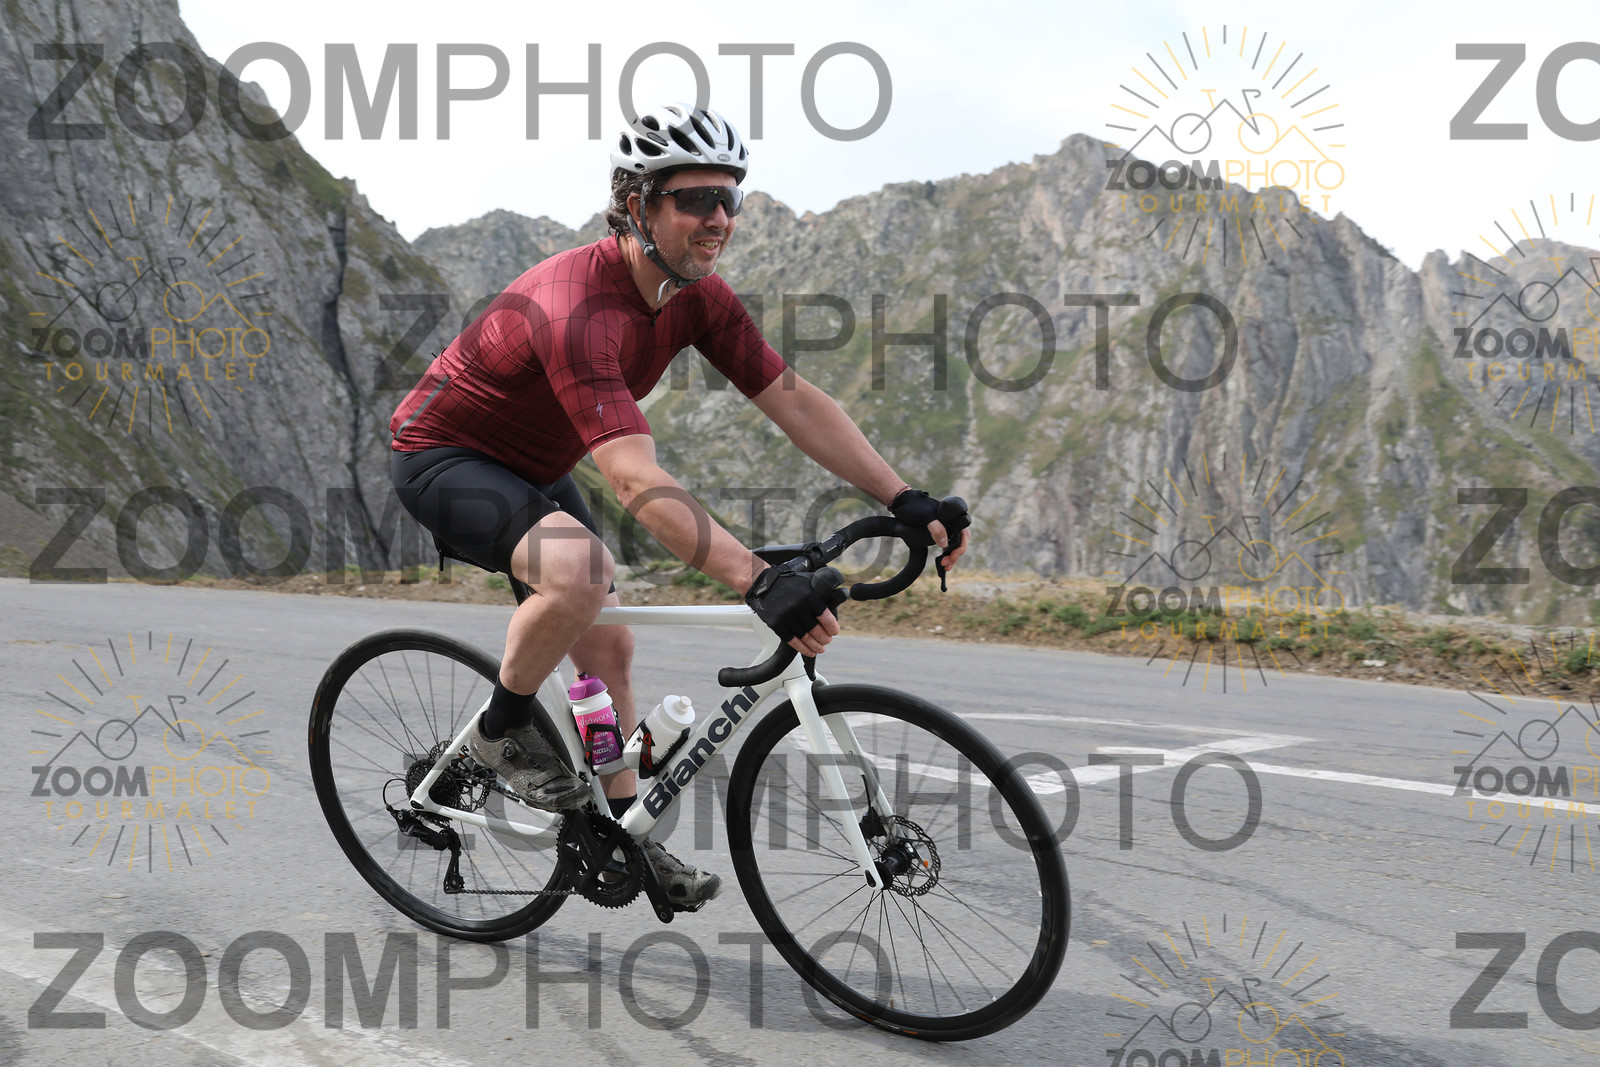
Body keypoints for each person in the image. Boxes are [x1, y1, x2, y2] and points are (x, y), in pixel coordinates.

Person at [389, 102, 969, 909]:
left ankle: (620, 830)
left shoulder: (695, 296)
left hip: (536, 467)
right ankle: (501, 731)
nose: (720, 218)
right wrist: (755, 577)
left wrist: (902, 495)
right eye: (697, 199)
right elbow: (634, 479)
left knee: (609, 648)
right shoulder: (576, 306)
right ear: (637, 205)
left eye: (731, 198)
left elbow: (794, 400)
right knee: (581, 571)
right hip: (444, 456)